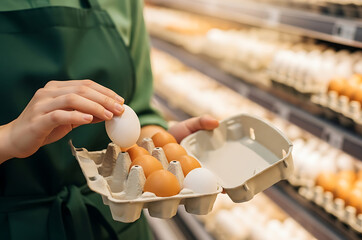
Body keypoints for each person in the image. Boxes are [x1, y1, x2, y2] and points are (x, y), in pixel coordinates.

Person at [0, 0, 219, 239]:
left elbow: (138, 108)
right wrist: (8, 137)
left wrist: (160, 146)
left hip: (114, 219)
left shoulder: (124, 4)